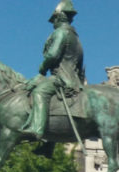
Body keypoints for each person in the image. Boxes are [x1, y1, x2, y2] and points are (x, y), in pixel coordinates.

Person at [20, 0, 85, 139]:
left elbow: (53, 55)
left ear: (59, 17)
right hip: (74, 80)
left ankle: (37, 129)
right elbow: (80, 65)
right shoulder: (76, 38)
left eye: (54, 19)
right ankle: (48, 143)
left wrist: (42, 69)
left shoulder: (61, 33)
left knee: (39, 92)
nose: (53, 23)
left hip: (62, 78)